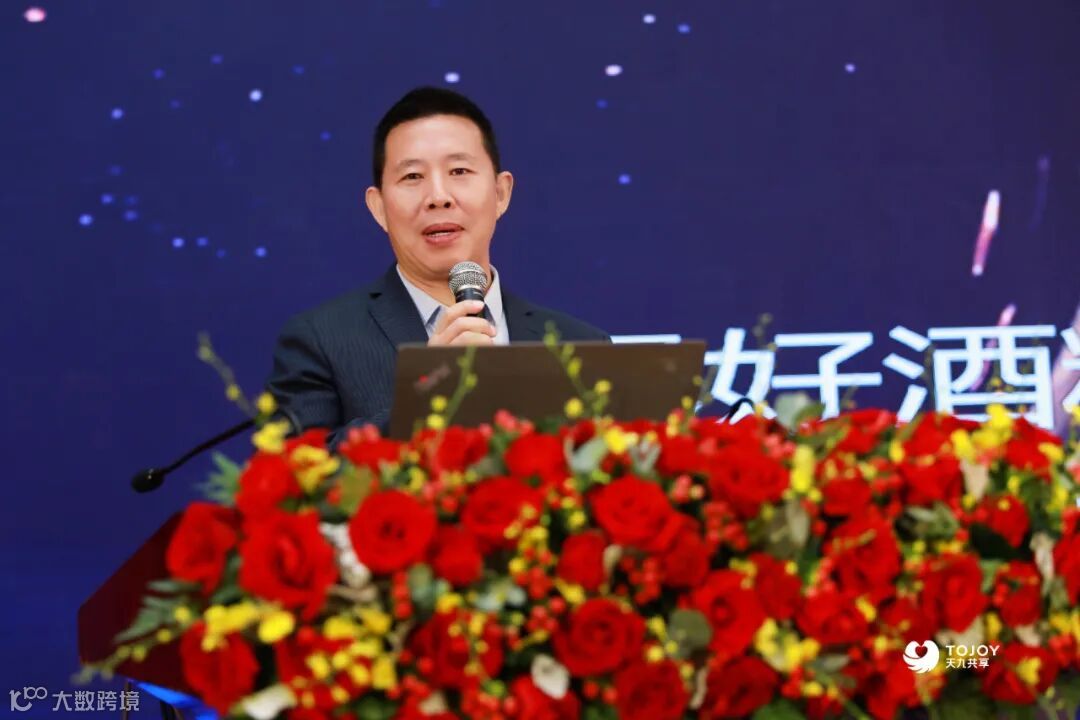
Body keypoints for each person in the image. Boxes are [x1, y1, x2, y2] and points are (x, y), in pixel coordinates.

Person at [266, 86, 609, 441]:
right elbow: (299, 468)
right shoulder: (319, 341)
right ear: (378, 208)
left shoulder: (581, 345)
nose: (438, 197)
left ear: (501, 194)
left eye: (459, 171)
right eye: (412, 177)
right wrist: (427, 397)